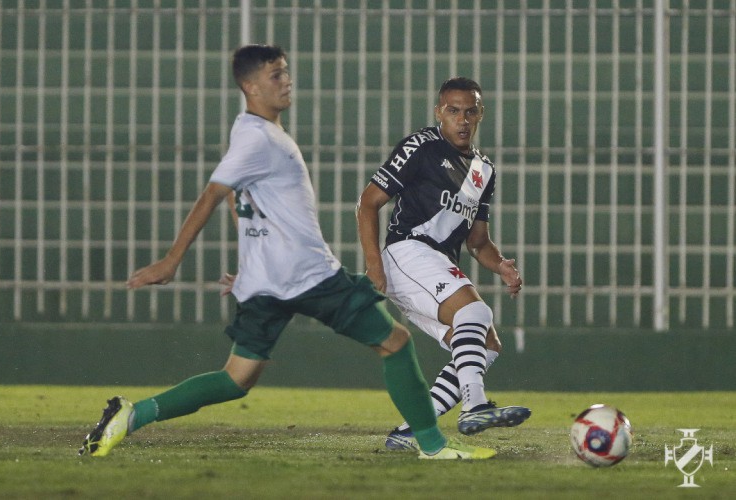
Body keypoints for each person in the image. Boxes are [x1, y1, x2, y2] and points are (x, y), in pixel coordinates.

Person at [79, 45, 496, 460]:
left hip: (267, 281)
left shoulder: (248, 131)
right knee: (396, 342)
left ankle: (131, 416)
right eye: (276, 75)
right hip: (311, 274)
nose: (287, 80)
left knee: (236, 378)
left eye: (285, 72)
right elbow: (214, 193)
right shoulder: (260, 140)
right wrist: (172, 260)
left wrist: (251, 264)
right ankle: (432, 444)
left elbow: (238, 199)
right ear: (250, 86)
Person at [356, 77, 531, 451]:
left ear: (481, 113)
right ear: (440, 112)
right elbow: (368, 202)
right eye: (453, 111)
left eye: (470, 111)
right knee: (475, 313)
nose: (462, 119)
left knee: (486, 344)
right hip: (408, 252)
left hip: (437, 264)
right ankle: (474, 406)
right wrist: (374, 264)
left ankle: (409, 432)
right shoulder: (421, 147)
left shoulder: (483, 170)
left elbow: (478, 242)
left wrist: (500, 265)